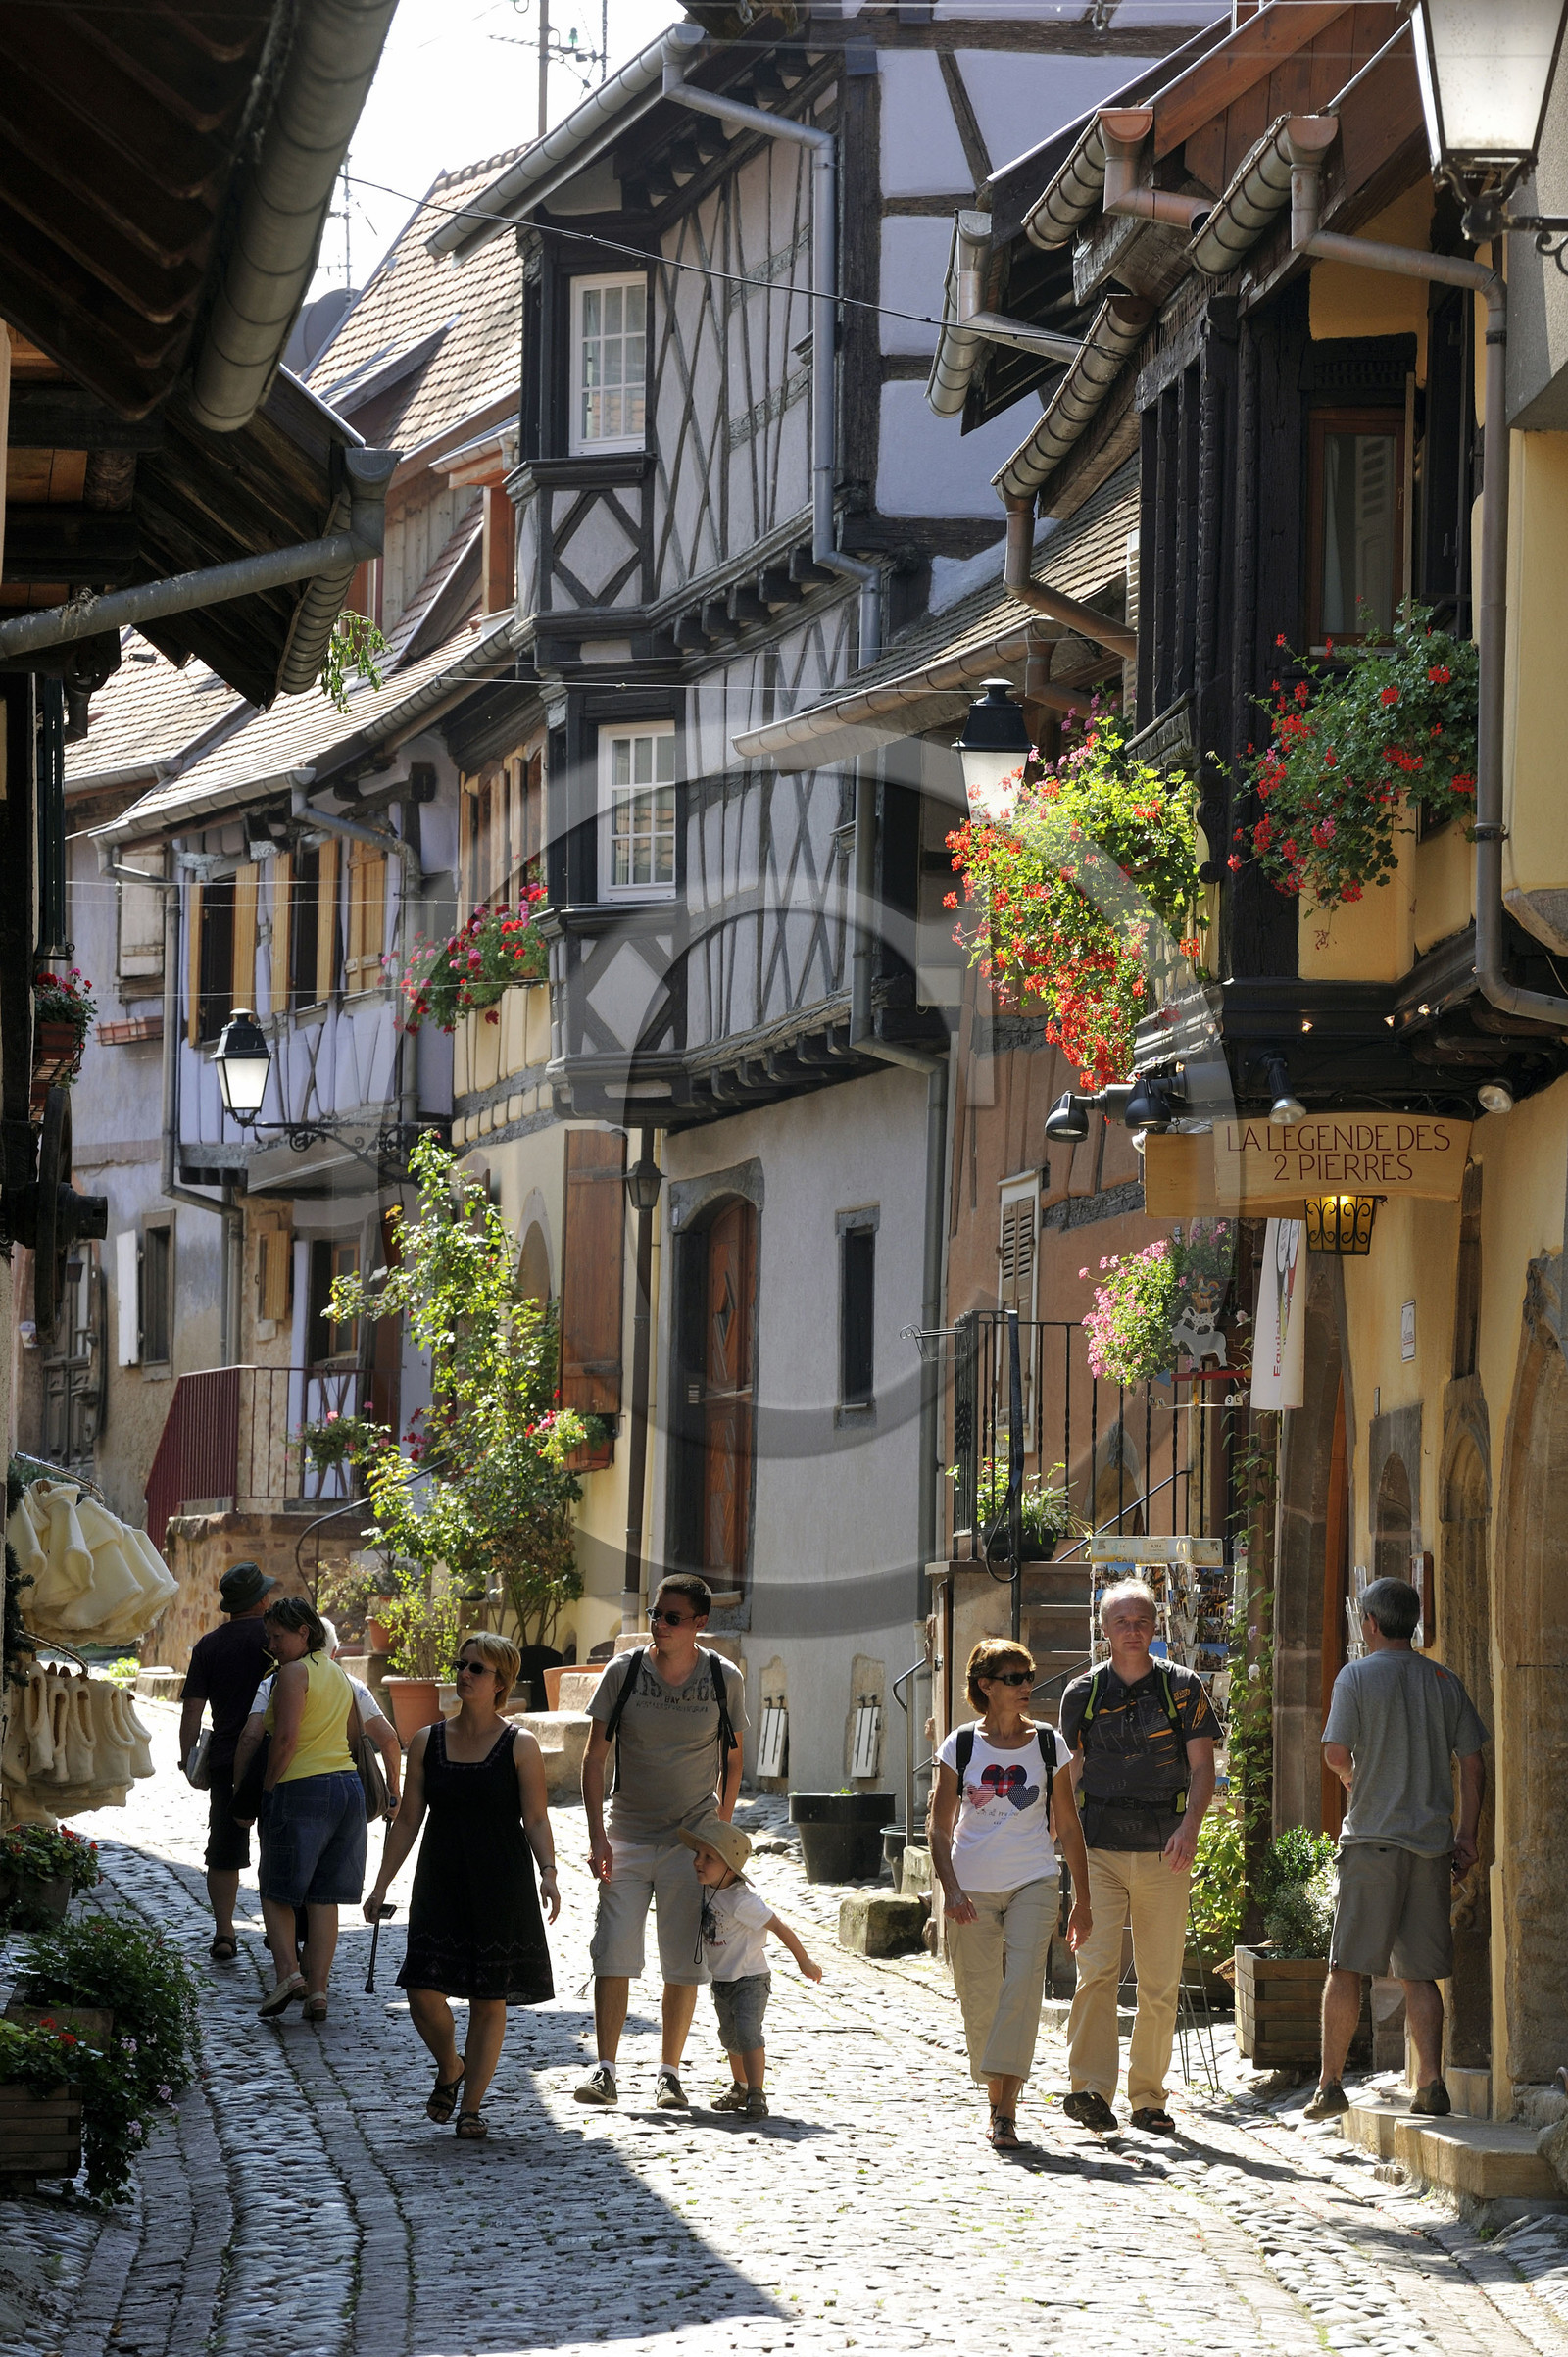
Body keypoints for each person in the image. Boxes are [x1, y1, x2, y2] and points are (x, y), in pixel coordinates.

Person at [1304, 1575, 1487, 2124]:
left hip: (1373, 1844)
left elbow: (1336, 1752)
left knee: (1348, 1967)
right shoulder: (1443, 1680)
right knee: (1420, 1973)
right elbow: (1474, 1763)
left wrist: (1356, 1779)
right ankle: (1431, 2083)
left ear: (1370, 1624)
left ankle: (1331, 2084)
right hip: (1431, 1847)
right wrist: (1467, 1836)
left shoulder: (1355, 1677)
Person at [365, 1631, 559, 2142]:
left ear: (501, 1682)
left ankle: (471, 2107)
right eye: (462, 1664)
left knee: (488, 1997)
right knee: (422, 1992)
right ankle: (451, 2066)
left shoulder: (521, 1745)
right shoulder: (427, 1740)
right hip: (441, 1879)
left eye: (477, 1669)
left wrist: (550, 1873)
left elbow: (536, 1819)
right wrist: (381, 1883)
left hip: (501, 1880)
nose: (464, 1674)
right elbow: (408, 1819)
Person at [577, 1573, 747, 2111]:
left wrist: (716, 1839)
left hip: (689, 1845)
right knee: (613, 1954)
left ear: (699, 1624)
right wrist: (597, 1835)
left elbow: (734, 1759)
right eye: (655, 1614)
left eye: (673, 1617)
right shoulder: (623, 1673)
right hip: (626, 1836)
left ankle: (669, 2074)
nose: (660, 1624)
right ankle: (605, 2071)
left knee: (684, 1962)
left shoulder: (724, 1679)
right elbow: (594, 1757)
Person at [1058, 1579, 1220, 2136]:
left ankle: (1149, 2097)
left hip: (1164, 1850)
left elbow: (1203, 1767)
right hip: (1098, 1848)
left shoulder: (1183, 1688)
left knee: (1158, 1981)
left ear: (1156, 1627)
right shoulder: (1083, 1692)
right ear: (1105, 1630)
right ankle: (1090, 2090)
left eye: (1142, 1621)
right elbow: (1070, 1771)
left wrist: (1190, 1828)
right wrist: (1062, 1836)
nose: (1133, 1631)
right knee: (1096, 1971)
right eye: (1122, 1622)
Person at [931, 1638, 1092, 2148]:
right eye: (1014, 1679)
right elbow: (938, 1828)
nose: (1027, 1687)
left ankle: (1006, 2111)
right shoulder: (960, 1745)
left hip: (1034, 1879)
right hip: (970, 1885)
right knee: (979, 1996)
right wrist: (950, 1889)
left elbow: (1068, 1825)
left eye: (1029, 1677)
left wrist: (1081, 1900)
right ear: (986, 1686)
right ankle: (995, 2096)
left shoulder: (1049, 1744)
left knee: (1022, 1986)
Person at [248, 1595, 367, 2023]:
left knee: (275, 1889)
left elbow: (286, 1739)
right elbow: (355, 1735)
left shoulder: (293, 1674)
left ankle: (288, 1974)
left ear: (304, 1632)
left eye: (278, 1636)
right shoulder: (339, 1673)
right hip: (347, 1789)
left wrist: (266, 1787)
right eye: (269, 1637)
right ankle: (319, 1991)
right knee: (322, 1897)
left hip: (303, 1787)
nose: (273, 1645)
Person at [679, 1814, 822, 2120]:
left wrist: (804, 1960)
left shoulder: (743, 1901)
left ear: (730, 1867)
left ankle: (757, 2091)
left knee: (748, 2033)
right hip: (722, 1980)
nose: (698, 1862)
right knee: (729, 2037)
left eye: (708, 1857)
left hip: (750, 1979)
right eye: (698, 1855)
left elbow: (779, 1926)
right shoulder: (706, 1889)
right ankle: (740, 2087)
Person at [176, 1560, 278, 1963]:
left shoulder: (208, 1646)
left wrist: (188, 1758)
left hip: (224, 1760)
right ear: (262, 1599)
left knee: (223, 1848)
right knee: (279, 1844)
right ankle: (280, 1933)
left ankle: (224, 1932)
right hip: (275, 1757)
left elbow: (192, 1711)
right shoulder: (276, 1640)